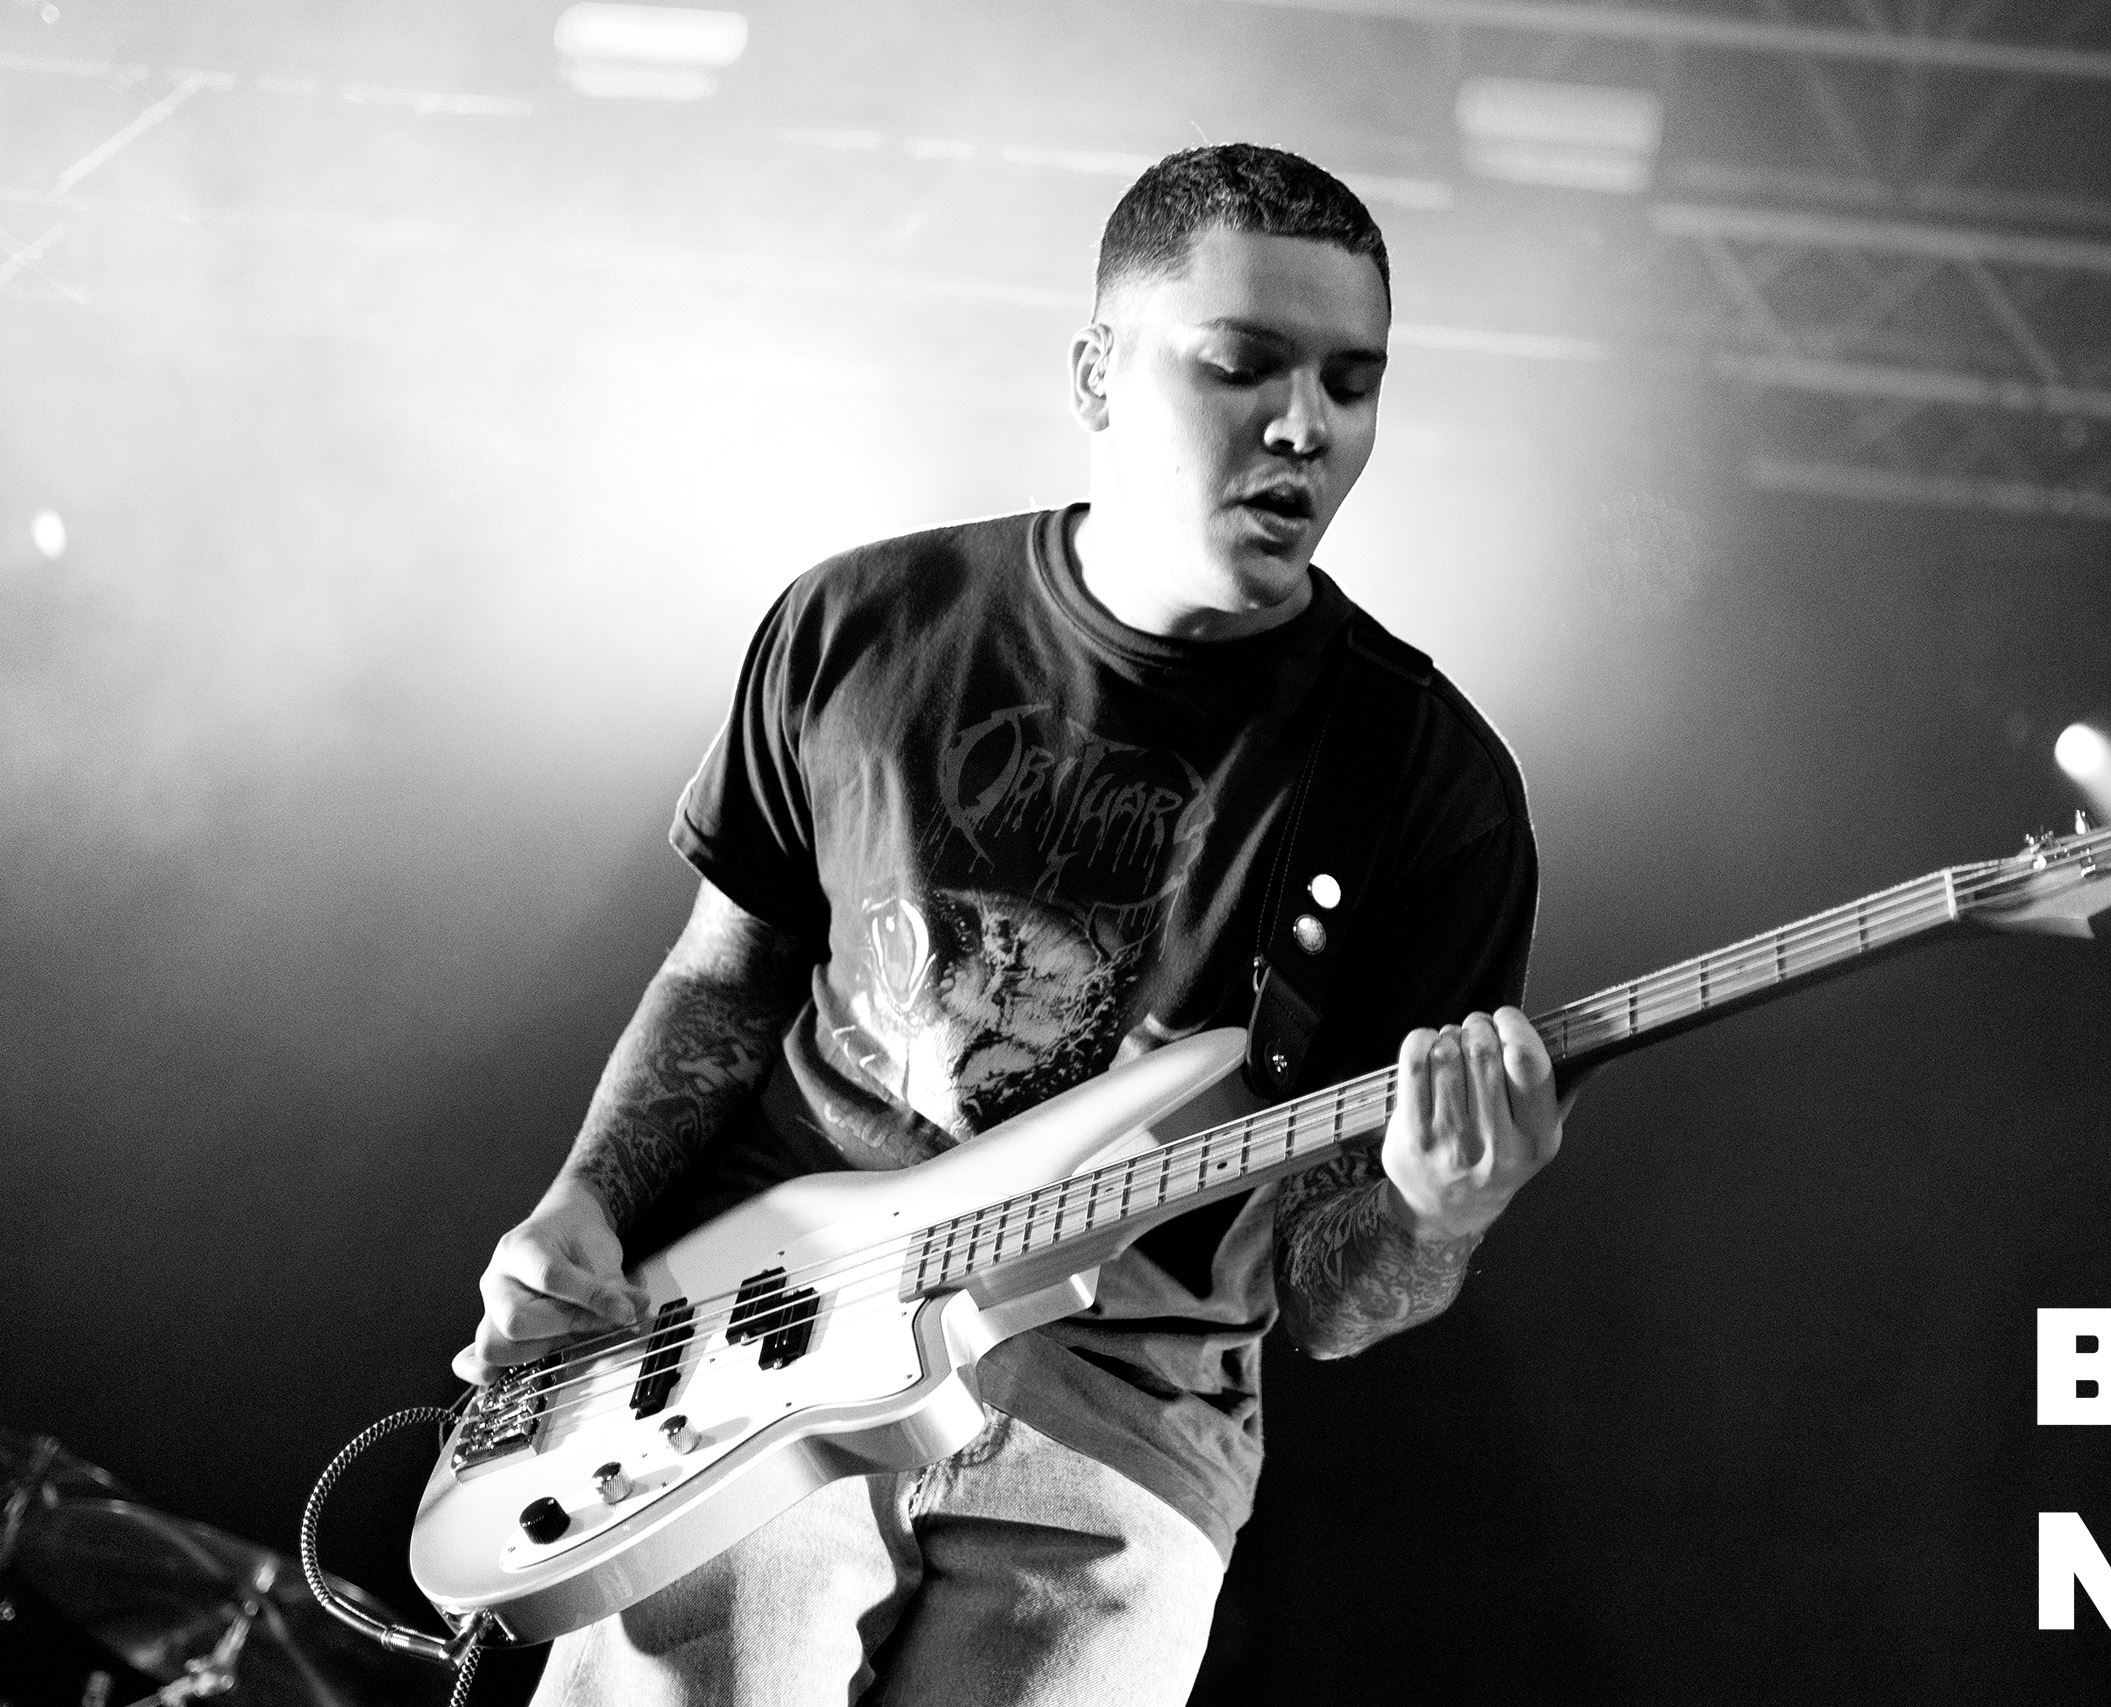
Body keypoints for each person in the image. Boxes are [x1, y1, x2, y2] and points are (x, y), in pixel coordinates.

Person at [454, 144, 1567, 1706]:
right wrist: (583, 1204)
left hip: (1122, 1422)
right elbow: (728, 974)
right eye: (1243, 364)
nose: (1304, 426)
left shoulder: (1429, 786)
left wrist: (1442, 1213)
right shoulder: (863, 623)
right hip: (762, 1346)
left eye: (1352, 382)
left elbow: (1330, 1300)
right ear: (1099, 372)